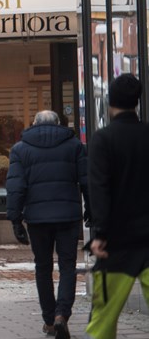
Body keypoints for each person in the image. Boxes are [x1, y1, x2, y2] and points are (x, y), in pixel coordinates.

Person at [5, 110, 87, 339]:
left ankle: (49, 320)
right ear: (59, 124)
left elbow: (15, 187)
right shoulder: (74, 146)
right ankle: (62, 315)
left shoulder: (20, 149)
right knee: (68, 266)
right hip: (68, 216)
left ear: (34, 124)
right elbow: (87, 179)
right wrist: (91, 208)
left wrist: (15, 219)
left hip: (37, 218)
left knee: (42, 267)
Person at [85, 74, 149, 339]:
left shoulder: (103, 139)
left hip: (116, 244)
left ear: (110, 102)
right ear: (137, 102)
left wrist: (99, 233)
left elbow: (99, 188)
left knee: (102, 320)